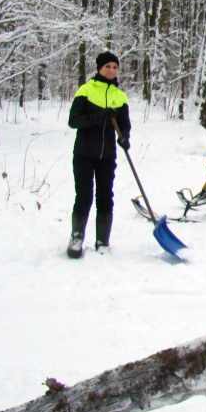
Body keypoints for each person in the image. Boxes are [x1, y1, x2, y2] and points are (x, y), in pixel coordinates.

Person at [67, 52, 131, 258]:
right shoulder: (86, 90)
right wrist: (100, 116)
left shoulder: (120, 96)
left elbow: (124, 124)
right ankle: (76, 237)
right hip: (84, 153)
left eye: (115, 67)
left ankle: (102, 241)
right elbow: (74, 121)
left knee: (105, 196)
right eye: (108, 67)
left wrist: (125, 138)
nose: (112, 70)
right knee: (84, 195)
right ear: (99, 68)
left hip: (107, 155)